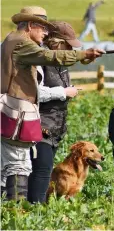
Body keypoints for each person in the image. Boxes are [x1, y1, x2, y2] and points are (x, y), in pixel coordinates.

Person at [1, 6, 104, 201]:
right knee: (17, 167)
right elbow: (49, 57)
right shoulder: (21, 43)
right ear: (31, 25)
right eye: (42, 28)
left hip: (17, 115)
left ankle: (19, 211)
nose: (46, 33)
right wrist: (84, 55)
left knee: (18, 166)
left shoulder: (11, 40)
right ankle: (17, 212)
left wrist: (78, 58)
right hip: (17, 115)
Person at [26, 22, 83, 204]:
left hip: (55, 128)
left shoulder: (59, 62)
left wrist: (68, 91)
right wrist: (64, 93)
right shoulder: (39, 60)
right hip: (39, 125)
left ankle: (35, 211)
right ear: (56, 43)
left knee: (43, 170)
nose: (70, 50)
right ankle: (35, 211)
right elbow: (34, 92)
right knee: (41, 172)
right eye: (67, 46)